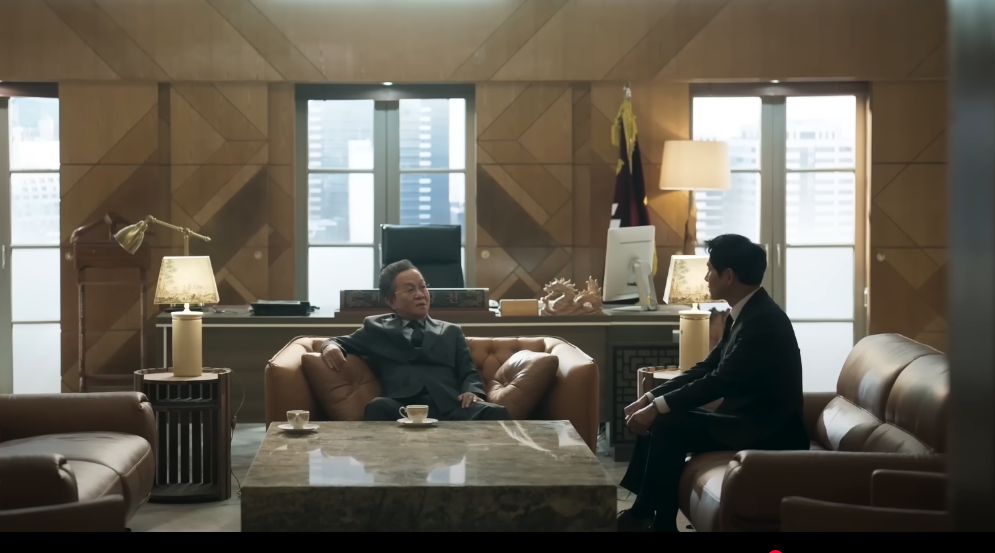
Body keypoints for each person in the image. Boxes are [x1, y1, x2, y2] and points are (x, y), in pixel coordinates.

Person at [617, 234, 809, 532]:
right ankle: (651, 517)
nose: (706, 277)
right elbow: (707, 367)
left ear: (728, 276)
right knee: (664, 418)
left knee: (667, 421)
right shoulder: (746, 312)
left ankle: (650, 518)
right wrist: (651, 398)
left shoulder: (763, 321)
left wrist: (657, 407)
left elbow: (718, 381)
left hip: (769, 431)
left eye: (709, 270)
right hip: (745, 420)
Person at [320, 259, 509, 422]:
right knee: (378, 407)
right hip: (402, 407)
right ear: (391, 301)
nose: (420, 294)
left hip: (449, 406)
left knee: (495, 412)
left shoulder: (451, 331)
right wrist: (329, 346)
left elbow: (468, 371)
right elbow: (338, 341)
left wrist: (472, 391)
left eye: (423, 286)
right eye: (410, 290)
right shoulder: (376, 329)